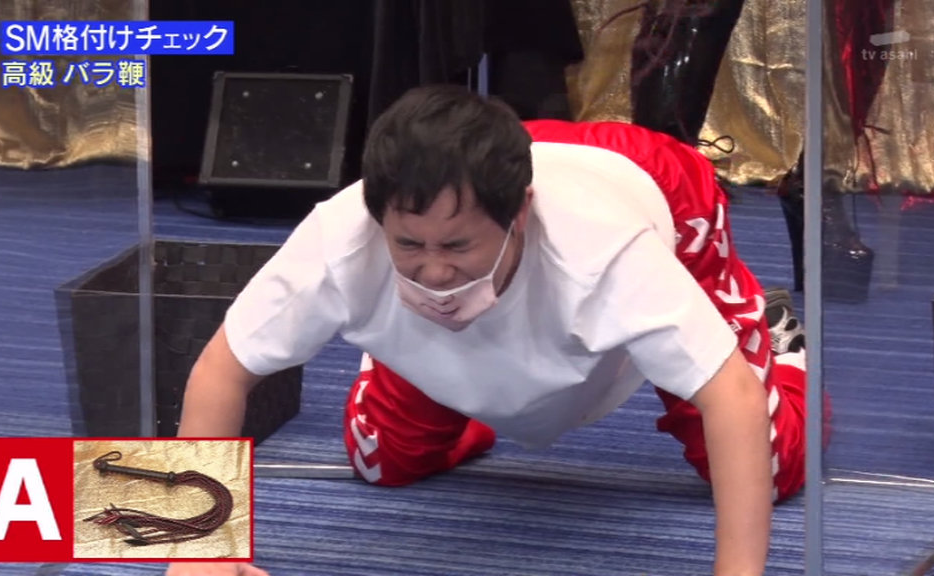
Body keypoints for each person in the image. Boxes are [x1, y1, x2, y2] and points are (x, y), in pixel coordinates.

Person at [167, 84, 808, 576]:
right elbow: (221, 369)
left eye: (456, 247)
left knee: (771, 466)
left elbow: (730, 398)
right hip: (487, 171)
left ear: (521, 214)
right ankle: (411, 354)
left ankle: (775, 343)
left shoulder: (609, 252)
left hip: (651, 184)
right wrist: (197, 553)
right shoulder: (340, 237)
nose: (434, 271)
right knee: (381, 464)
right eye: (408, 245)